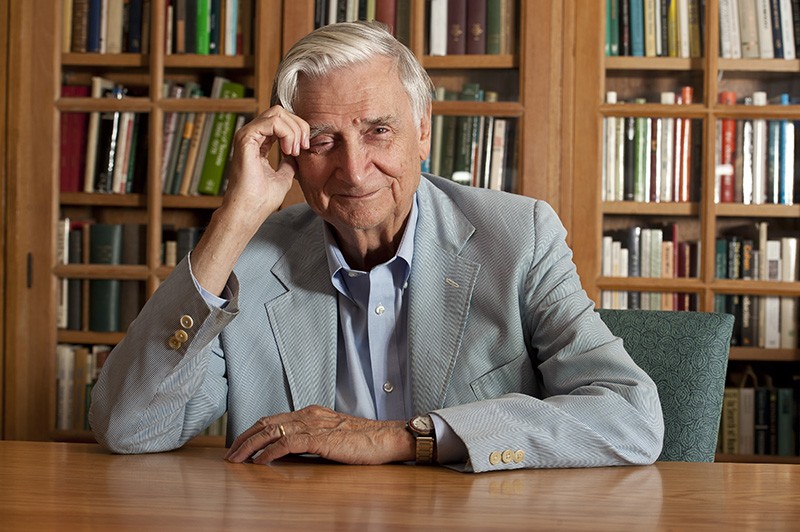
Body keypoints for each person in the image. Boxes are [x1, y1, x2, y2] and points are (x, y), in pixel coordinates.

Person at [89, 21, 664, 473]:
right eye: (322, 140)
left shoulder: (518, 237)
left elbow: (628, 416)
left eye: (378, 131)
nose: (354, 169)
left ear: (422, 130)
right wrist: (232, 222)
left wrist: (403, 438)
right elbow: (130, 428)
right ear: (290, 152)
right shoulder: (249, 259)